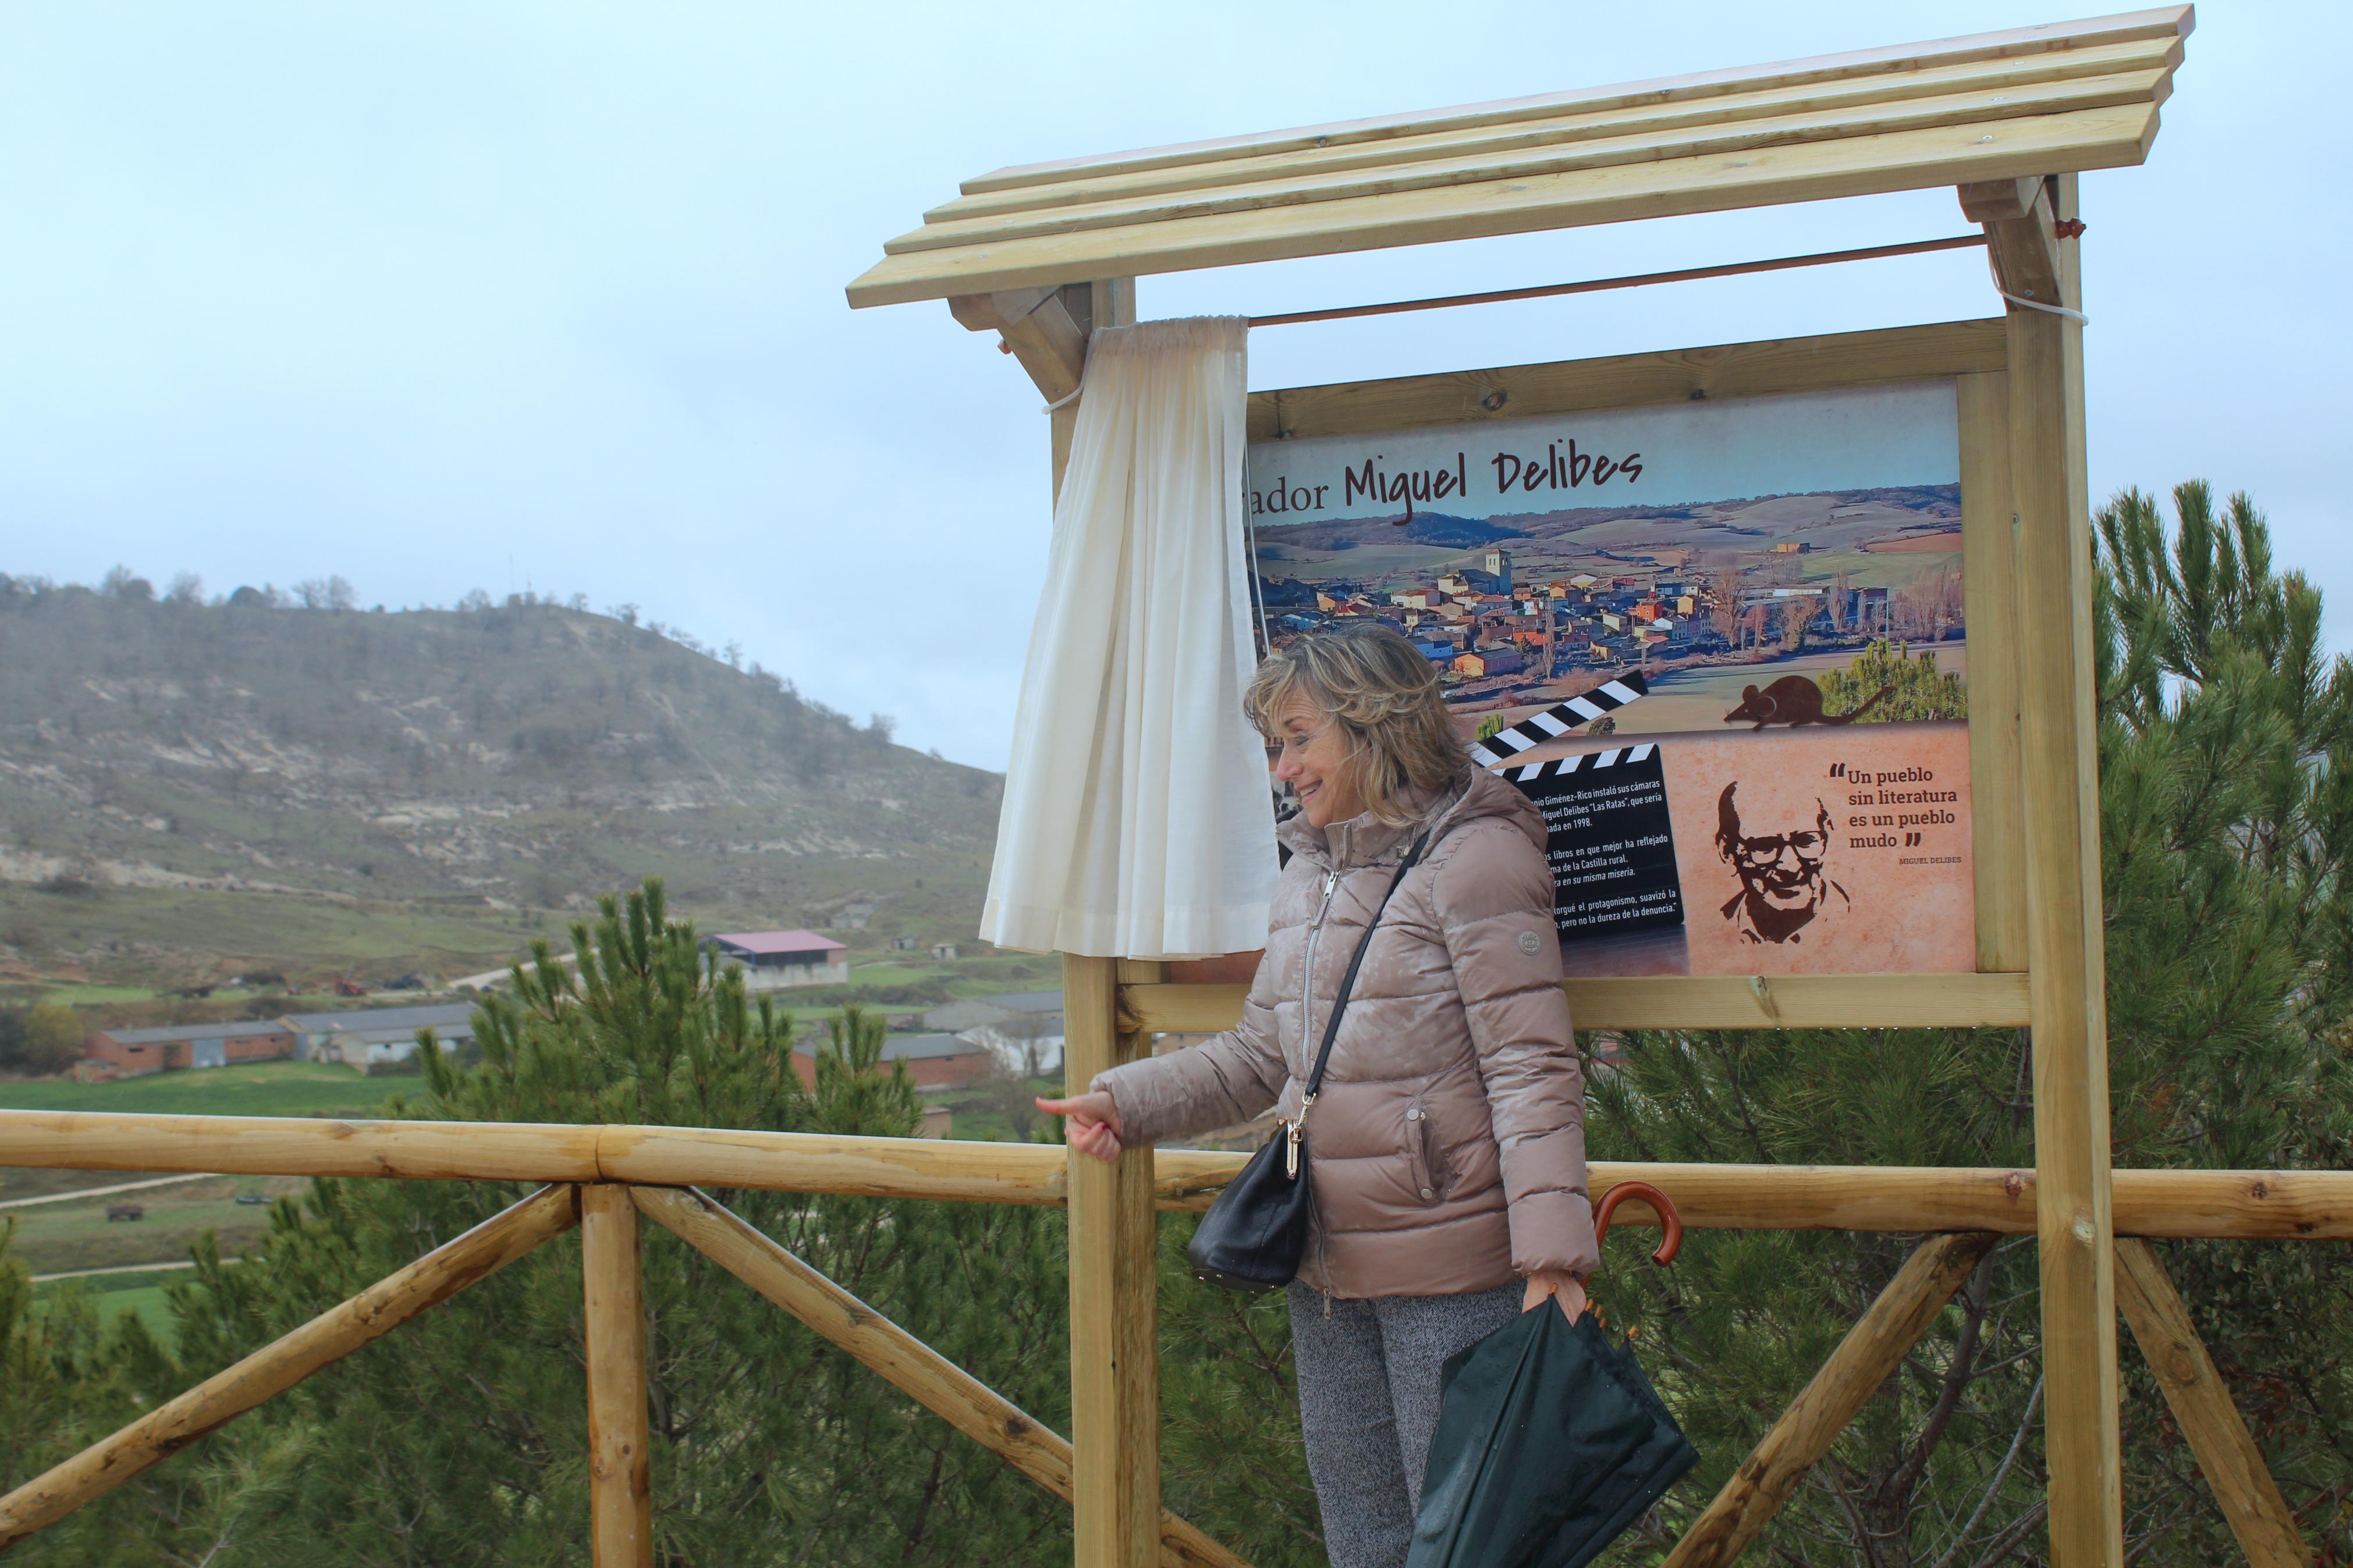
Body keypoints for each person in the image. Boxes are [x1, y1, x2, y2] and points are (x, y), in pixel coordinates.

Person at [1038, 622, 1598, 1568]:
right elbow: (1266, 1052)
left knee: (1469, 1545)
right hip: (1326, 1268)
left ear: (1373, 723)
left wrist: (1555, 1263)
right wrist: (1123, 1102)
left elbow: (1530, 1068)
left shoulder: (1478, 859)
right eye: (1273, 746)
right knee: (1365, 1541)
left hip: (1450, 1274)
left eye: (1299, 738)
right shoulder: (1312, 871)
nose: (1283, 767)